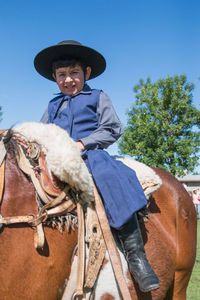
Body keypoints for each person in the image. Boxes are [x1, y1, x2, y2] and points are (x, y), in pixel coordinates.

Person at [34, 40, 160, 292]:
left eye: (74, 73)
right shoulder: (52, 106)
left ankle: (136, 256)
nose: (68, 80)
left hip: (90, 155)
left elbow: (112, 128)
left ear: (86, 73)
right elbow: (41, 133)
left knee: (110, 175)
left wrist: (83, 144)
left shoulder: (97, 97)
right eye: (62, 75)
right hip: (56, 158)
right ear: (54, 77)